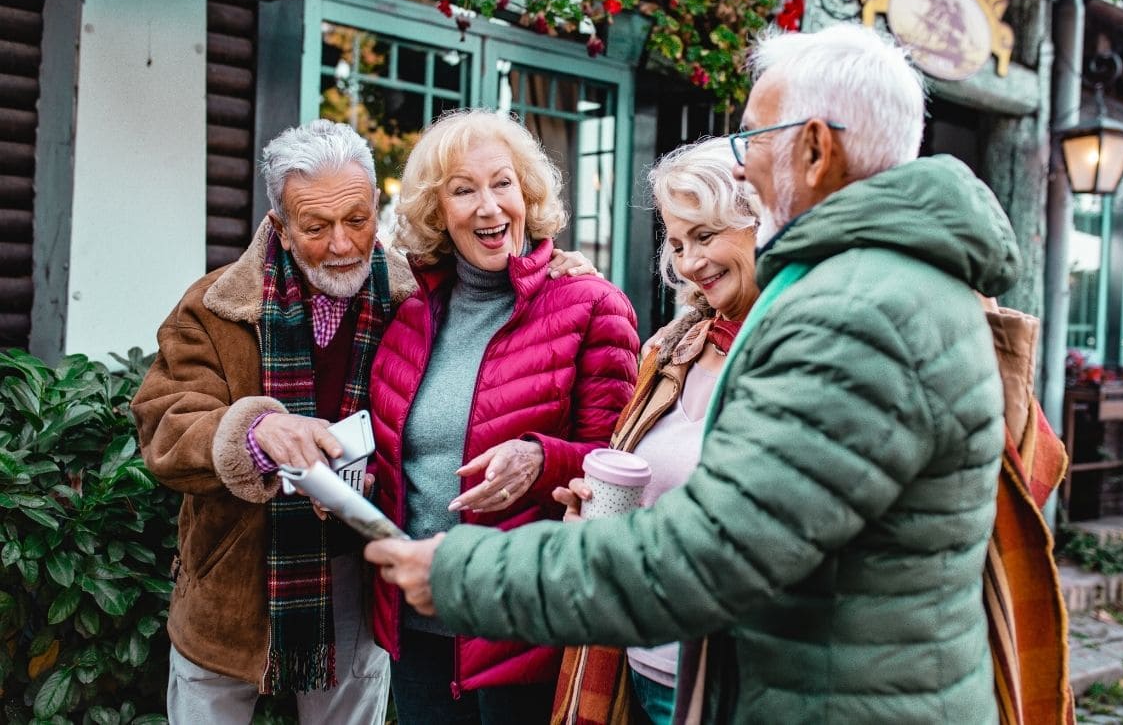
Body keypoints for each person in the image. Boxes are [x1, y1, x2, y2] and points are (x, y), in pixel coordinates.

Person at [365, 22, 1022, 724]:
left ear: (816, 147)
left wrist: (462, 574)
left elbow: (711, 555)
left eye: (752, 138)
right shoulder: (864, 284)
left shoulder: (858, 311)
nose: (741, 167)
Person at [131, 118, 595, 723]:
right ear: (281, 227)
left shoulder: (415, 296)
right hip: (231, 578)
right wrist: (256, 432)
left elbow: (497, 275)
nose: (344, 244)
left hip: (356, 570)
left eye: (357, 219)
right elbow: (163, 422)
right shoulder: (215, 304)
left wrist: (546, 266)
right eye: (317, 227)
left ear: (378, 205)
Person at [366, 108, 640, 723]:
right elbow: (397, 460)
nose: (489, 207)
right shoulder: (408, 317)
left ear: (527, 193)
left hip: (523, 626)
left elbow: (619, 467)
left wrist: (542, 459)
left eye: (502, 183)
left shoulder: (592, 305)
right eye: (464, 190)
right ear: (438, 213)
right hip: (418, 624)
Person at [549, 137, 759, 725]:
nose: (689, 263)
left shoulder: (796, 361)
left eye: (706, 235)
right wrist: (589, 516)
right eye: (677, 242)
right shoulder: (671, 352)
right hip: (636, 663)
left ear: (759, 222)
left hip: (733, 681)